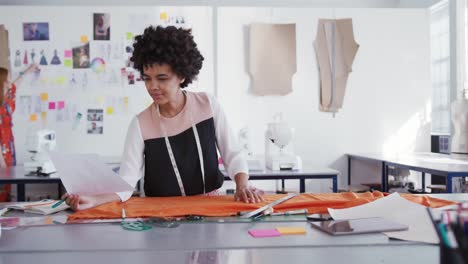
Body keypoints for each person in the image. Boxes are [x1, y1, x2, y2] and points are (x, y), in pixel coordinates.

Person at [65, 26, 263, 210]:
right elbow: (126, 182)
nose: (153, 87)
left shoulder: (207, 105)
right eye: (147, 78)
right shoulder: (140, 124)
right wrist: (92, 200)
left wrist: (242, 185)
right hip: (159, 213)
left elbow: (233, 154)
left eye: (162, 78)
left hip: (208, 207)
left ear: (182, 76)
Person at [0, 64, 37, 201]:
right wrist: (1, 162)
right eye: (8, 80)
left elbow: (15, 85)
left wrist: (27, 71)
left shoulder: (6, 100)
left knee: (7, 188)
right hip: (1, 154)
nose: (10, 83)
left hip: (8, 150)